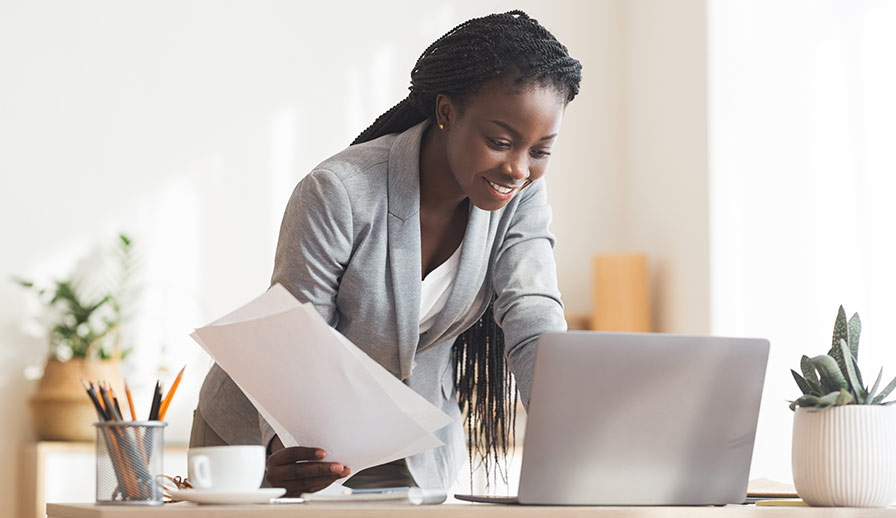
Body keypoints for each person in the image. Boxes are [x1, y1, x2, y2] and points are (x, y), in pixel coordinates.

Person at [190, 10, 582, 496]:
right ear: (446, 112)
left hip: (412, 450)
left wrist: (572, 437)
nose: (518, 168)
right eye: (499, 142)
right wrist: (283, 449)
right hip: (273, 439)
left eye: (540, 150)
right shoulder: (340, 191)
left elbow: (532, 314)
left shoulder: (519, 199)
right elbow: (295, 338)